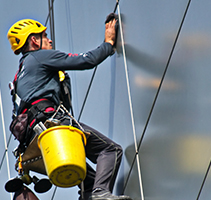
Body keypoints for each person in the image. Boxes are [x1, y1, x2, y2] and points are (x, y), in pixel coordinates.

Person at [7, 15, 131, 200]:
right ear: (34, 40)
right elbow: (86, 60)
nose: (49, 40)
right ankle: (100, 194)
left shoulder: (19, 77)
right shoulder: (39, 57)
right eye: (44, 36)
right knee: (110, 150)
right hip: (53, 126)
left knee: (88, 179)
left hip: (36, 138)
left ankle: (93, 193)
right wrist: (108, 43)